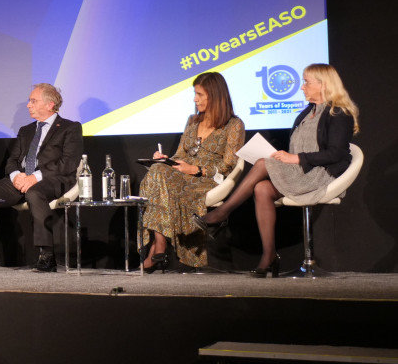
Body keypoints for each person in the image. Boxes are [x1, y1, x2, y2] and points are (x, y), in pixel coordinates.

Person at [194, 64, 359, 277]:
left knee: (263, 164)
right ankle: (269, 255)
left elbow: (336, 154)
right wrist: (286, 158)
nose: (302, 87)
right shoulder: (306, 113)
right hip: (300, 173)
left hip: (321, 175)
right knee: (262, 188)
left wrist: (296, 158)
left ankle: (222, 213)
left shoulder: (338, 113)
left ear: (324, 84)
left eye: (307, 82)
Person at [139, 71, 245, 271]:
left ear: (215, 95)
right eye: (194, 94)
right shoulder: (192, 121)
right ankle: (160, 244)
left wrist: (196, 169)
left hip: (207, 179)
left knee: (156, 176)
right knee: (157, 169)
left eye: (200, 95)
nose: (195, 99)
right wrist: (167, 160)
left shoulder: (234, 125)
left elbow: (228, 166)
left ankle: (157, 246)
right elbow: (180, 154)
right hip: (179, 175)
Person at [0, 83, 83, 272]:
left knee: (34, 192)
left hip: (54, 180)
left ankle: (47, 256)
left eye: (33, 101)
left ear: (50, 104)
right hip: (22, 179)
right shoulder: (26, 130)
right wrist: (16, 177)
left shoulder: (70, 128)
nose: (28, 105)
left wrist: (36, 177)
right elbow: (12, 160)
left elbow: (68, 163)